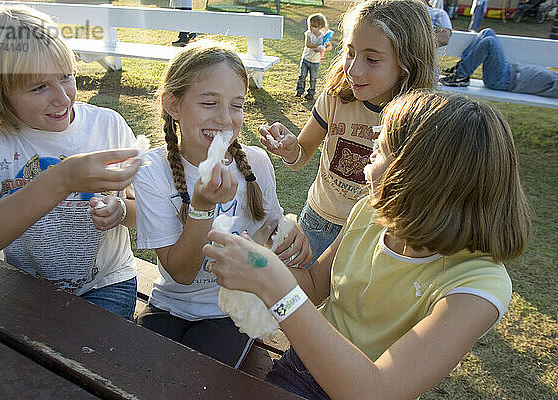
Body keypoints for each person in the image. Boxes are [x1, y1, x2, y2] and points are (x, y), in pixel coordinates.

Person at [204, 90, 531, 400]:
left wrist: (276, 285)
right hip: (303, 366)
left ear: (418, 178)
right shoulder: (372, 211)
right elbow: (318, 285)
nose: (369, 157)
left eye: (380, 149)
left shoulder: (479, 287)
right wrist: (264, 260)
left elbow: (375, 391)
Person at [132, 41, 311, 368]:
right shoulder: (151, 170)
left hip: (230, 310)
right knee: (140, 374)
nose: (225, 119)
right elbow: (181, 273)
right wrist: (202, 207)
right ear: (173, 104)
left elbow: (269, 238)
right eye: (209, 102)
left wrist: (289, 235)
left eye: (237, 105)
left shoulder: (255, 163)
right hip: (169, 303)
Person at [0, 5, 143, 320]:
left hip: (107, 284)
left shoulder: (107, 125)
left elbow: (150, 211)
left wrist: (122, 211)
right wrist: (63, 178)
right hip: (24, 284)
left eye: (66, 77)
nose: (63, 98)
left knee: (87, 363)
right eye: (38, 87)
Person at [259, 0, 436, 266]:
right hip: (318, 222)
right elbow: (302, 155)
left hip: (374, 234)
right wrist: (290, 148)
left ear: (407, 61)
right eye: (350, 53)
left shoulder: (418, 119)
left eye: (372, 59)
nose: (353, 69)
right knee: (303, 296)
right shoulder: (336, 98)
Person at [440, 28, 558, 97]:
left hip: (502, 80)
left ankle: (460, 76)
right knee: (487, 32)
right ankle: (460, 69)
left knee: (489, 42)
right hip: (508, 69)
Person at [295, 13, 333, 101]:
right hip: (306, 59)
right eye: (310, 26)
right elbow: (308, 44)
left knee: (313, 78)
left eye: (313, 26)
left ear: (320, 26)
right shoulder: (309, 34)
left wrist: (322, 48)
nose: (311, 28)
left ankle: (311, 93)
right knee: (302, 76)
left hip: (315, 62)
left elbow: (329, 47)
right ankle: (299, 91)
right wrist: (317, 46)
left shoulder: (323, 36)